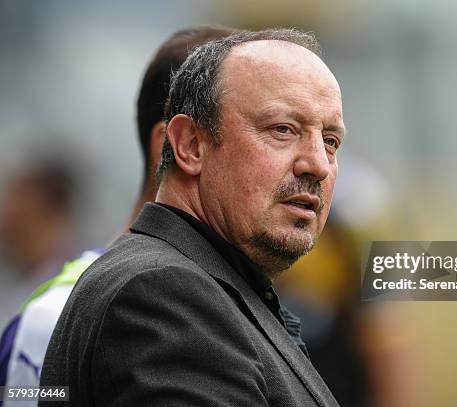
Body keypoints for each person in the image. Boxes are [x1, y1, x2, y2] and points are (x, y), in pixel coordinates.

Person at [41, 28, 344, 406]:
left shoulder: (210, 286)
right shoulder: (162, 292)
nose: (317, 164)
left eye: (330, 141)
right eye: (282, 130)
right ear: (190, 145)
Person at [0, 25, 234, 405]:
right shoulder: (57, 317)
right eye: (272, 132)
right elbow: (23, 397)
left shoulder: (253, 305)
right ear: (178, 146)